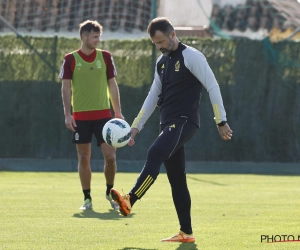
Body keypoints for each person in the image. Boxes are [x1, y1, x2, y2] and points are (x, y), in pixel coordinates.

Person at [110, 17, 233, 243]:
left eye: (161, 41)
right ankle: (186, 233)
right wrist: (136, 127)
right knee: (177, 180)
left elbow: (212, 86)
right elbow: (152, 97)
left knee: (154, 153)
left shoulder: (192, 56)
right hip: (167, 124)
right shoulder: (161, 63)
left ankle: (130, 200)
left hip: (184, 121)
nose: (159, 47)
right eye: (155, 44)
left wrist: (220, 120)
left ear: (173, 34)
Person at [59, 20, 124, 211]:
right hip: (80, 118)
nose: (98, 40)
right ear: (84, 36)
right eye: (94, 36)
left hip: (104, 118)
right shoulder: (70, 59)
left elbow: (113, 84)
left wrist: (118, 112)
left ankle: (110, 193)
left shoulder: (105, 57)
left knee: (111, 157)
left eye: (99, 36)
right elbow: (65, 88)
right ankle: (87, 198)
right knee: (84, 157)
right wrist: (67, 114)